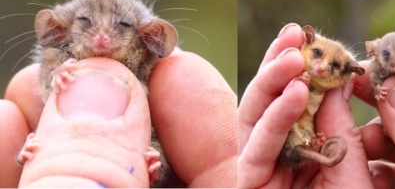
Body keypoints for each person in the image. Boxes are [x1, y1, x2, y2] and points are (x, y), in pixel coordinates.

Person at [238, 23, 395, 188]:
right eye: (386, 56)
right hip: (297, 144)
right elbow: (374, 81)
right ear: (375, 53)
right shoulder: (311, 71)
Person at [0, 48, 237, 187]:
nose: (102, 38)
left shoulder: (147, 75)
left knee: (154, 155)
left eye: (121, 25)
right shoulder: (58, 61)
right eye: (86, 22)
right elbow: (44, 85)